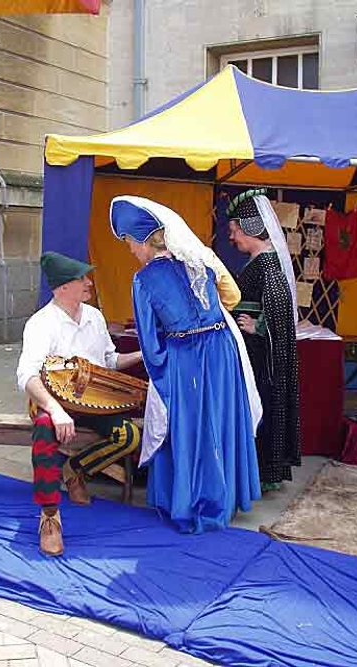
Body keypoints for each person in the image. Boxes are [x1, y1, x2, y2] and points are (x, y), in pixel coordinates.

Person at [109, 195, 262, 534]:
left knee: (191, 427)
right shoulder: (200, 262)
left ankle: (192, 504)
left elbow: (150, 342)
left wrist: (164, 374)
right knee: (219, 420)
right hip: (222, 351)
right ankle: (225, 497)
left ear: (146, 240)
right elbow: (229, 299)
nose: (131, 251)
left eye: (131, 243)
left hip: (186, 359)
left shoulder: (143, 280)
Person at [16, 251, 142, 557]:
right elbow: (27, 375)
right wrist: (56, 410)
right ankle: (49, 518)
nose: (88, 283)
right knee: (45, 433)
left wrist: (143, 354)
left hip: (91, 402)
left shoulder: (94, 317)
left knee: (129, 435)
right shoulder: (41, 323)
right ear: (62, 288)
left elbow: (109, 361)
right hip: (52, 401)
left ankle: (75, 470)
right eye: (81, 279)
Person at [227, 189, 301, 490]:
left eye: (234, 231)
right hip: (255, 353)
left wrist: (257, 327)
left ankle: (263, 473)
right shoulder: (261, 262)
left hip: (260, 356)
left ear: (251, 228)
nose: (232, 238)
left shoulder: (267, 266)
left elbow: (280, 308)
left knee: (262, 406)